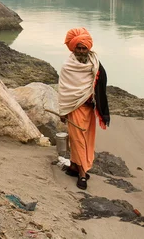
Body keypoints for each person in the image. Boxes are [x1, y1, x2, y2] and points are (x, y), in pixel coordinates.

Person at [57, 27, 110, 190]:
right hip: (74, 108)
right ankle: (82, 174)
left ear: (89, 48)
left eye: (84, 48)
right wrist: (63, 111)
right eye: (78, 48)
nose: (81, 51)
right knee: (78, 140)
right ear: (73, 48)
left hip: (90, 109)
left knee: (86, 140)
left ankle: (73, 166)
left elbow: (101, 85)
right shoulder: (68, 66)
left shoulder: (95, 64)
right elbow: (65, 89)